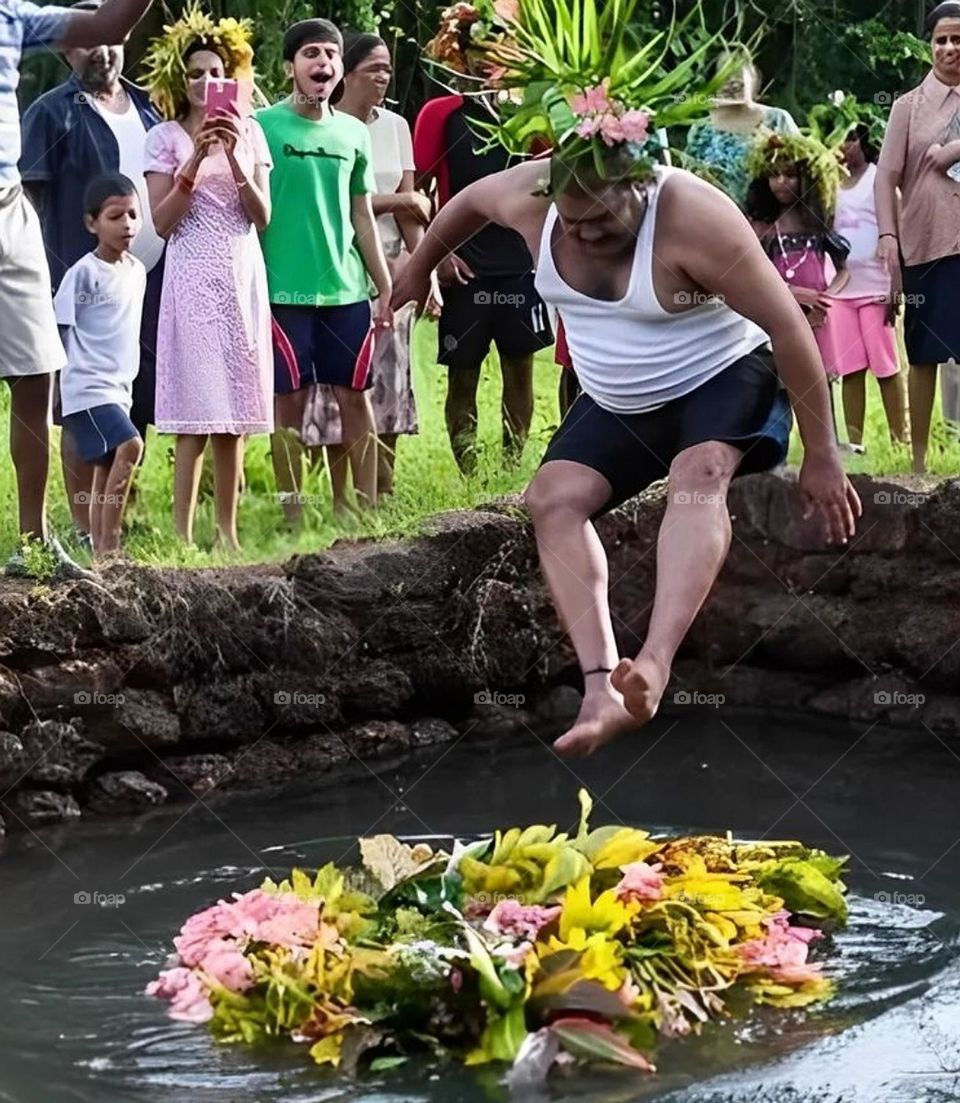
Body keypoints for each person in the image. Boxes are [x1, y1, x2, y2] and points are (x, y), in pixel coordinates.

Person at [394, 48, 860, 760]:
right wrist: (418, 266)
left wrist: (821, 453)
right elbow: (466, 202)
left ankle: (656, 664)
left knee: (699, 475)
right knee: (552, 498)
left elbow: (790, 329)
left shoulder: (696, 218)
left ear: (641, 186)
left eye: (603, 222)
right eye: (572, 220)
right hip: (620, 395)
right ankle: (599, 685)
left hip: (723, 372)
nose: (585, 233)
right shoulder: (530, 196)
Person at [0, 0, 155, 577]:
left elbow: (109, 25)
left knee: (38, 372)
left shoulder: (11, 15)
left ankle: (34, 543)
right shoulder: (53, 106)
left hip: (9, 206)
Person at [142, 13, 273, 550]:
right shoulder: (164, 137)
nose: (205, 81)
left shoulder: (252, 132)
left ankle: (227, 533)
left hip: (240, 272)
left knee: (233, 411)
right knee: (196, 410)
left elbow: (262, 217)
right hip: (192, 273)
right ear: (180, 79)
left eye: (216, 72)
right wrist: (196, 156)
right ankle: (180, 534)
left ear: (231, 77)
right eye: (195, 73)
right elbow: (162, 222)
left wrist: (235, 157)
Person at [258, 18, 392, 523]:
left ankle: (367, 510)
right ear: (289, 66)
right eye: (311, 53)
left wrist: (385, 286)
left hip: (346, 291)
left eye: (331, 54)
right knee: (288, 402)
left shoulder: (353, 132)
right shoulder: (261, 126)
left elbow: (362, 214)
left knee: (355, 397)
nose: (323, 63)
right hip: (282, 292)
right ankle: (292, 515)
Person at [416, 2, 554, 475]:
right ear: (461, 53)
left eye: (500, 49)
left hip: (520, 266)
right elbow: (418, 190)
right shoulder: (441, 114)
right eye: (479, 50)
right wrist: (439, 252)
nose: (488, 60)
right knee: (463, 375)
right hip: (464, 269)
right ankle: (471, 476)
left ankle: (512, 470)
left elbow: (553, 179)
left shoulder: (530, 115)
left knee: (521, 369)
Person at [303, 31, 429, 502]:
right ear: (348, 73)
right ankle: (341, 497)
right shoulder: (323, 125)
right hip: (336, 267)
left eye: (388, 69)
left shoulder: (396, 126)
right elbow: (335, 200)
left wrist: (423, 268)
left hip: (394, 268)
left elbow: (411, 212)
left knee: (390, 384)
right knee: (340, 386)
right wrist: (401, 199)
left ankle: (381, 489)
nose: (383, 77)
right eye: (374, 68)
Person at [876, 0, 960, 472]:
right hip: (925, 244)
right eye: (941, 40)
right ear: (930, 46)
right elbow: (885, 176)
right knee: (924, 353)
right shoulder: (907, 107)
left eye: (958, 39)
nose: (949, 48)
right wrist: (888, 236)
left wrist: (955, 149)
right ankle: (919, 462)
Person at [55, 174, 145, 557]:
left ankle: (98, 554)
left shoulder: (137, 271)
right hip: (87, 389)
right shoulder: (83, 274)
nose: (127, 224)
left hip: (120, 390)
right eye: (115, 216)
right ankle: (110, 546)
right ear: (92, 223)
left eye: (133, 215)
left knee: (105, 468)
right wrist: (57, 390)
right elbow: (59, 328)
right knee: (131, 445)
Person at [746, 132, 849, 440]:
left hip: (816, 316)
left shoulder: (817, 224)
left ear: (807, 179)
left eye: (790, 175)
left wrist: (827, 297)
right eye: (774, 175)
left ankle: (827, 442)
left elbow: (844, 271)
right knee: (780, 376)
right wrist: (791, 294)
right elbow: (753, 275)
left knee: (819, 376)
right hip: (778, 313)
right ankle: (774, 440)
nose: (781, 182)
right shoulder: (762, 228)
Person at [825, 124, 905, 450]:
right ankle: (855, 444)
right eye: (838, 139)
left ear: (863, 141)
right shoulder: (829, 185)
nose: (844, 145)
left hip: (876, 288)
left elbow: (897, 233)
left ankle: (900, 440)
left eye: (850, 138)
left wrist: (897, 284)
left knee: (885, 367)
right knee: (851, 369)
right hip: (840, 291)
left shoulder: (879, 180)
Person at [685, 52, 799, 209]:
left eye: (738, 74)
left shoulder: (777, 119)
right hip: (708, 215)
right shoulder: (701, 129)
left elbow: (801, 174)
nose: (732, 82)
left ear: (753, 80)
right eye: (724, 75)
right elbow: (688, 181)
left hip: (765, 219)